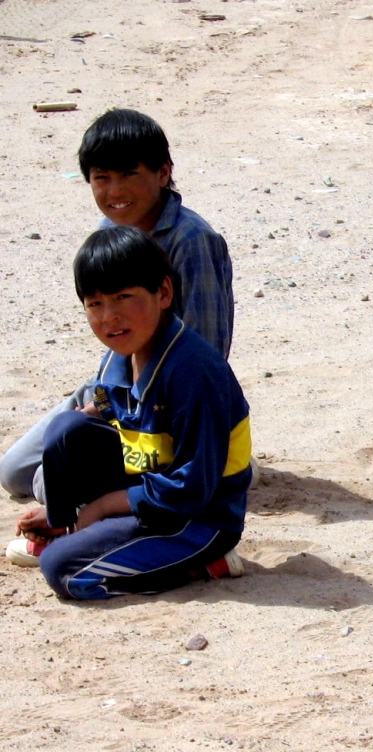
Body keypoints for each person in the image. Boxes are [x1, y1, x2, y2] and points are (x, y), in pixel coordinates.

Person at [0, 108, 234, 503]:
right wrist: (99, 405)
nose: (115, 192)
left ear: (163, 173)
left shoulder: (192, 241)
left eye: (128, 175)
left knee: (51, 481)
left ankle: (218, 455)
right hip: (113, 390)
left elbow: (208, 348)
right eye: (102, 178)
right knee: (16, 473)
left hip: (165, 402)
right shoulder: (109, 232)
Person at [5, 226, 250, 598]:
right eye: (95, 304)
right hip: (150, 485)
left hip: (199, 516)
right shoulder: (122, 355)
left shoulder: (193, 371)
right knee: (66, 428)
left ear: (163, 292)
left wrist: (102, 507)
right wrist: (67, 508)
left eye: (123, 297)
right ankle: (67, 528)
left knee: (62, 570)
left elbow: (191, 489)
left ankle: (197, 563)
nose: (109, 317)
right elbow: (105, 406)